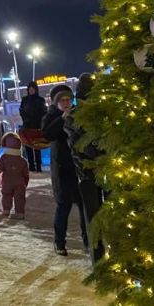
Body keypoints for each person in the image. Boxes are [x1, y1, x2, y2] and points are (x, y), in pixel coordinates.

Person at [63, 73, 106, 263]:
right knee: (111, 213)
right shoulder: (103, 113)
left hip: (85, 173)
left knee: (93, 218)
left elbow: (77, 145)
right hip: (108, 169)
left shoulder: (72, 115)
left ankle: (98, 258)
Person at [42, 87, 88, 256]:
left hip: (78, 167)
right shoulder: (51, 116)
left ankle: (87, 241)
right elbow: (47, 134)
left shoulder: (77, 115)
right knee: (64, 206)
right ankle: (59, 242)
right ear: (57, 102)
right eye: (63, 100)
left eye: (69, 100)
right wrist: (62, 119)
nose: (67, 103)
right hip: (62, 169)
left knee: (84, 206)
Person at [0, 132, 29, 219]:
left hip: (7, 182)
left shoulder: (4, 158)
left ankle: (6, 210)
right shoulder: (22, 160)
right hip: (20, 183)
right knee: (20, 197)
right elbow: (25, 173)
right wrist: (25, 182)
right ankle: (20, 212)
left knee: (6, 195)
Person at [19, 81, 47, 172]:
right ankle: (31, 165)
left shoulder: (40, 100)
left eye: (33, 89)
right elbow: (21, 111)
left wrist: (40, 121)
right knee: (28, 146)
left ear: (36, 90)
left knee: (37, 146)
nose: (31, 91)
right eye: (30, 89)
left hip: (37, 126)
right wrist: (25, 119)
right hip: (27, 126)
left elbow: (43, 112)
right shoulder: (25, 100)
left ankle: (38, 166)